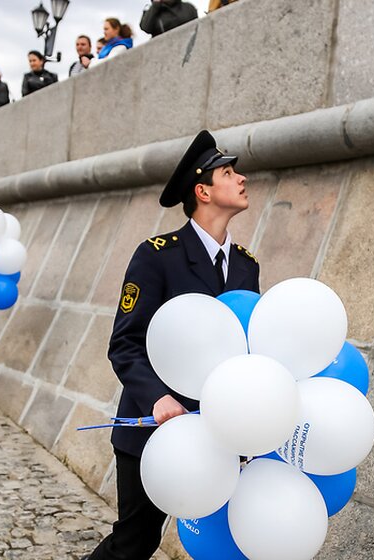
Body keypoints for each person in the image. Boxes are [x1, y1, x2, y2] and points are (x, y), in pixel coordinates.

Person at [80, 130, 259, 560]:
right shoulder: (157, 255)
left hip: (217, 433)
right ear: (203, 191)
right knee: (136, 540)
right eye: (229, 173)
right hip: (153, 430)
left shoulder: (247, 267)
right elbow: (125, 343)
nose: (242, 179)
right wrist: (156, 398)